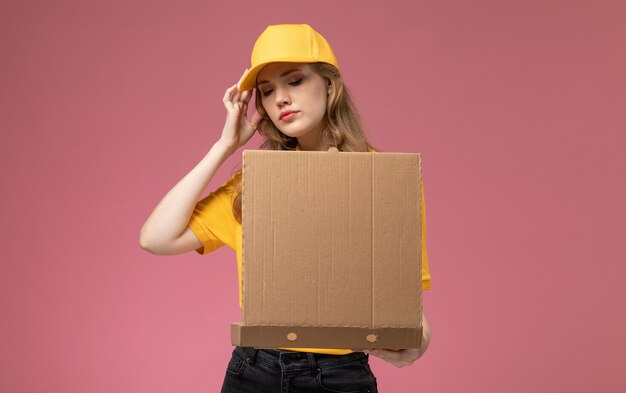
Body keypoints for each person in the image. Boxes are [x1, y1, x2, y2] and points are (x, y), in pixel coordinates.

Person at [140, 24, 432, 393]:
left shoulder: (385, 184)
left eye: (294, 81)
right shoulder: (253, 187)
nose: (280, 99)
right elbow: (156, 238)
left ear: (329, 85)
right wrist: (224, 147)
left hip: (341, 374)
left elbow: (411, 310)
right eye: (266, 91)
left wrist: (413, 342)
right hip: (255, 370)